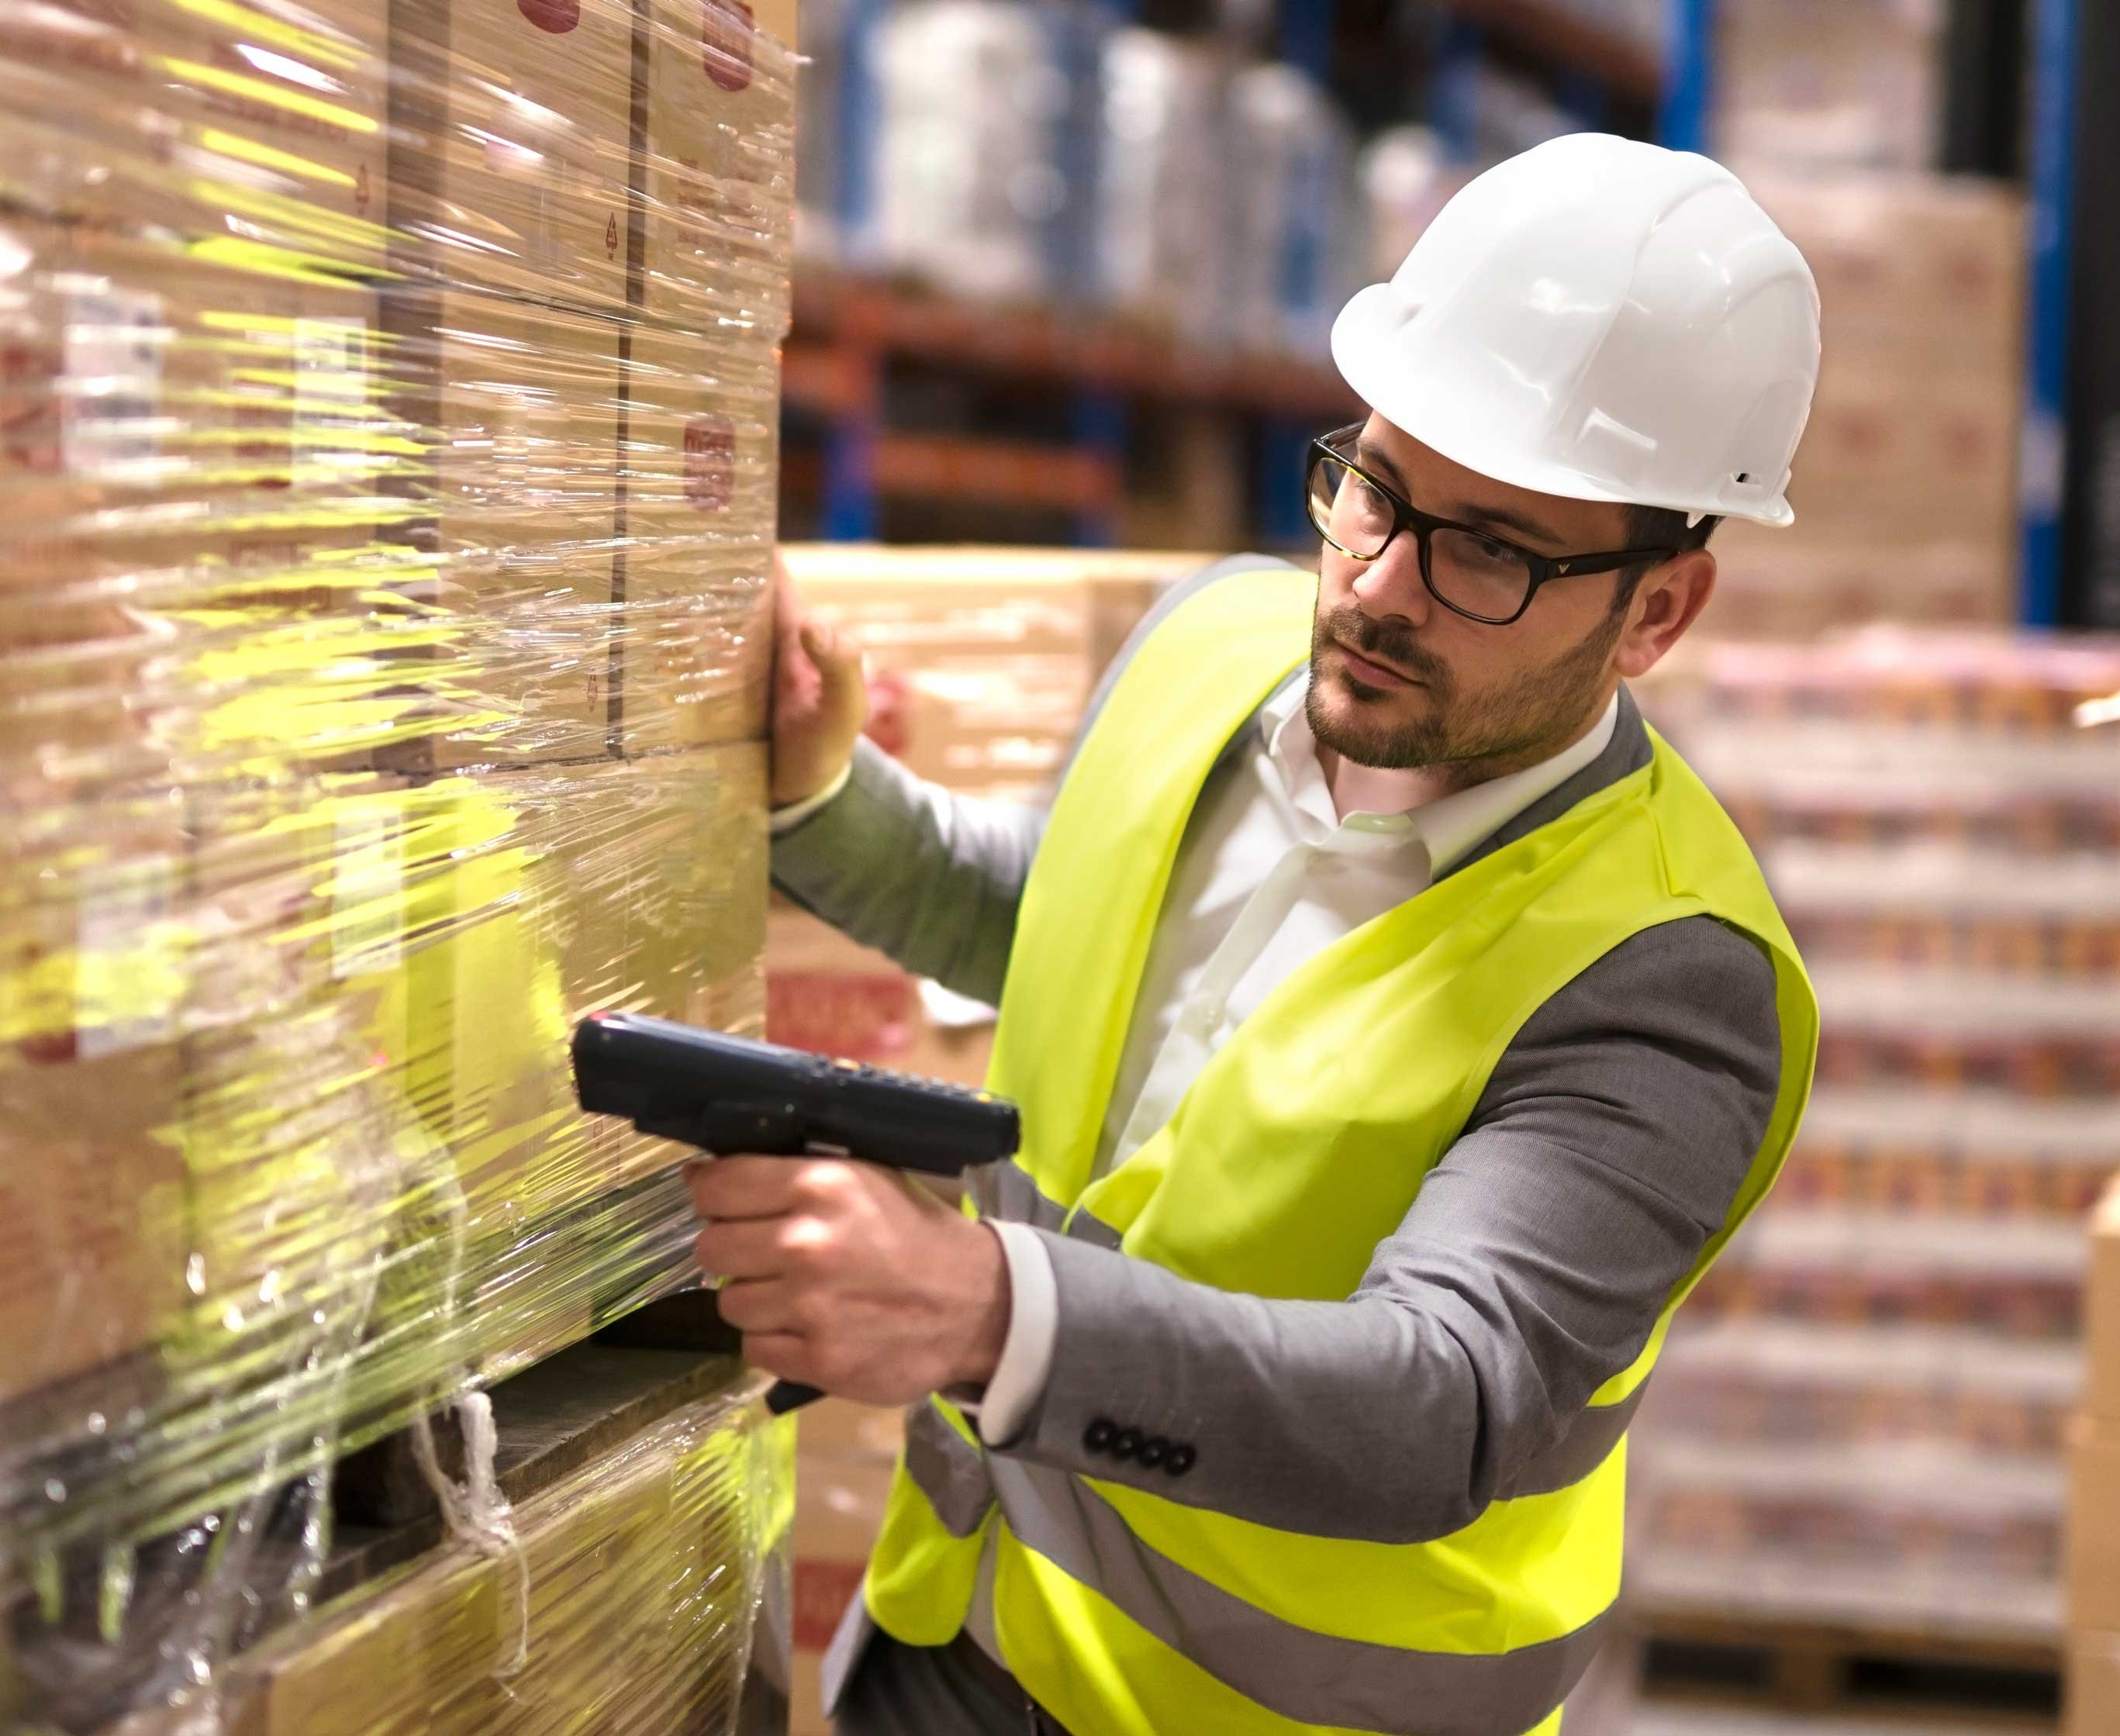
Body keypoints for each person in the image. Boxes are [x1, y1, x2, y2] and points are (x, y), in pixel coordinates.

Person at [700, 133, 1824, 1736]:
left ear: (1656, 612)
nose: (1377, 587)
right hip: (961, 1636)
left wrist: (979, 1312)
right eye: (1376, 487)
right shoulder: (1210, 648)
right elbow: (1064, 922)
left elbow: (1442, 1397)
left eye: (1491, 551)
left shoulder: (1671, 974)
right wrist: (829, 795)